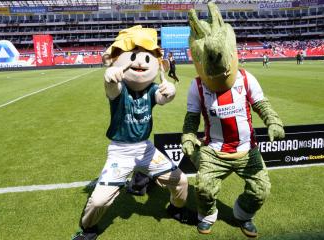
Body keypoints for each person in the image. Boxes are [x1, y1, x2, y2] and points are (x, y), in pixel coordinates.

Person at [72, 26, 194, 240]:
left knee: (181, 180)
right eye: (134, 57)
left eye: (146, 58)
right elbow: (112, 88)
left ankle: (176, 208)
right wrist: (109, 76)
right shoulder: (121, 89)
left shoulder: (151, 90)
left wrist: (171, 93)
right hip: (120, 152)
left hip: (145, 149)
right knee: (100, 201)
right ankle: (88, 229)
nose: (139, 62)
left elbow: (162, 98)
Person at [184, 3, 285, 238]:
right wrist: (188, 136)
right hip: (214, 151)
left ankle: (243, 215)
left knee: (261, 190)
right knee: (204, 189)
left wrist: (273, 121)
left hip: (246, 149)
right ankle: (208, 215)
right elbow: (191, 119)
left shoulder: (246, 78)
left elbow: (262, 105)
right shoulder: (196, 86)